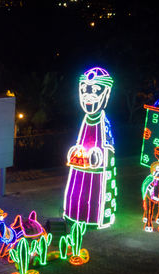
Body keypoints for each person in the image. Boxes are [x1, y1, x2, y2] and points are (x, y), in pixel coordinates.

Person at [63, 67, 117, 229]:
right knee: (76, 193)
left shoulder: (103, 121)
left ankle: (93, 220)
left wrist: (97, 156)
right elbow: (80, 142)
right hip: (79, 171)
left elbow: (109, 149)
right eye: (84, 89)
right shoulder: (86, 119)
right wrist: (75, 151)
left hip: (97, 175)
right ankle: (72, 214)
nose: (88, 94)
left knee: (92, 196)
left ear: (106, 94)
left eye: (94, 90)